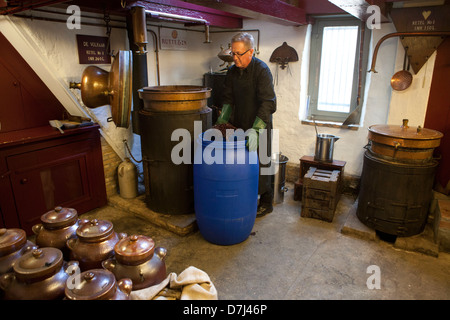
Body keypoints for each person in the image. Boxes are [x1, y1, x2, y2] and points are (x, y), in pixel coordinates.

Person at [216, 32, 277, 217]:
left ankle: (267, 202)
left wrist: (256, 131)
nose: (234, 58)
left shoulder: (262, 70)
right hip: (240, 123)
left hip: (260, 123)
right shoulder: (233, 72)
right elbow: (228, 98)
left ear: (251, 52)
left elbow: (268, 102)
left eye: (239, 54)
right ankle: (246, 197)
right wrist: (222, 121)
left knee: (262, 163)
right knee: (243, 165)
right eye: (233, 53)